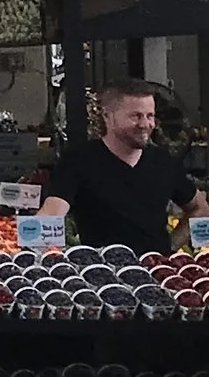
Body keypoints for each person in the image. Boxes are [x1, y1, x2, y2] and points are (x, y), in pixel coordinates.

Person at [48, 84, 197, 254]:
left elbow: (199, 208)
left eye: (150, 116)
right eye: (135, 116)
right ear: (107, 116)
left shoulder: (164, 161)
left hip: (157, 271)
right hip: (102, 272)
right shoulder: (78, 161)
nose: (145, 124)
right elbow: (52, 214)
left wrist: (171, 246)